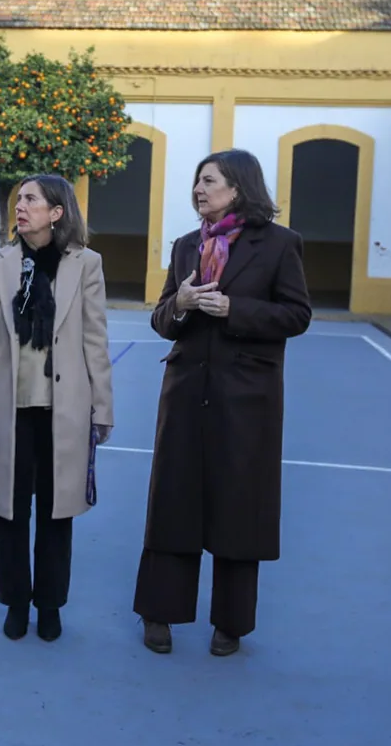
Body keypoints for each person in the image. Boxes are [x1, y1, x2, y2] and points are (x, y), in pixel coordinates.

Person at [132, 148, 311, 657]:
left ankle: (230, 622)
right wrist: (181, 305)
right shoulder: (187, 246)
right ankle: (159, 612)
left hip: (247, 397)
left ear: (239, 187)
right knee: (174, 498)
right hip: (187, 391)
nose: (198, 190)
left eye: (209, 182)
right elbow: (162, 318)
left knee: (238, 503)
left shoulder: (279, 245)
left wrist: (236, 309)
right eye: (196, 182)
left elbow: (297, 315)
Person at [0, 174, 114, 642]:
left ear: (57, 212)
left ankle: (50, 604)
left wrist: (102, 407)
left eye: (31, 199)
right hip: (10, 408)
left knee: (57, 512)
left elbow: (95, 339)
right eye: (18, 199)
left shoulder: (86, 265)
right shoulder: (0, 264)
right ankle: (15, 602)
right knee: (10, 511)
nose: (20, 206)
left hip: (64, 410)